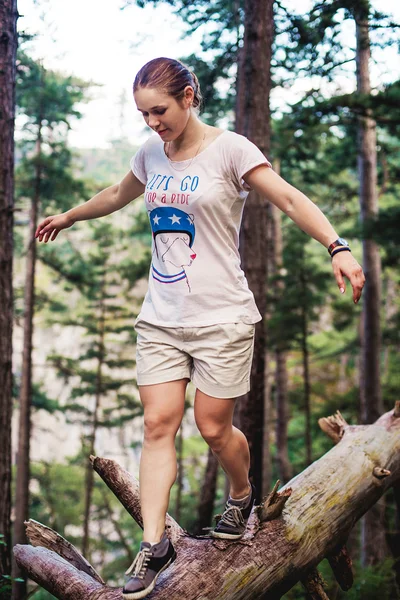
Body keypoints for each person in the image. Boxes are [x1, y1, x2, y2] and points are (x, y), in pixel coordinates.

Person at [35, 57, 365, 599]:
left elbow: (286, 197)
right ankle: (155, 542)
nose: (152, 123)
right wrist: (70, 215)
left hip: (223, 319)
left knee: (213, 428)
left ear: (189, 96)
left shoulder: (231, 149)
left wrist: (337, 246)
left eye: (159, 111)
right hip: (161, 318)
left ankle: (241, 495)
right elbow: (118, 195)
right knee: (157, 424)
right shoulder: (149, 153)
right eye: (143, 114)